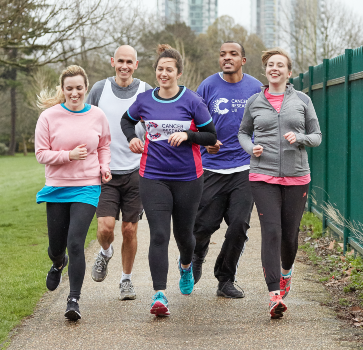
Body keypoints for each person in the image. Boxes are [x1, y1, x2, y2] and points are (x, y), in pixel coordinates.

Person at [121, 44, 217, 317]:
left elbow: (210, 135)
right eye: (160, 69)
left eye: (169, 70)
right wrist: (133, 138)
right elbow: (126, 122)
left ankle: (185, 266)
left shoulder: (192, 101)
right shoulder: (145, 100)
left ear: (179, 73)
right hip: (153, 177)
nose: (164, 74)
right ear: (156, 72)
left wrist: (189, 136)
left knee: (184, 235)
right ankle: (159, 294)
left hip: (188, 178)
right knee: (159, 234)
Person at [238, 48, 321, 319]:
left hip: (297, 175)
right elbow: (243, 132)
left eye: (280, 65)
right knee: (271, 232)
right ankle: (274, 295)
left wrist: (300, 138)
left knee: (289, 235)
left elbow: (317, 135)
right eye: (270, 65)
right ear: (266, 71)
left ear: (288, 72)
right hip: (262, 175)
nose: (275, 69)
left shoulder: (302, 100)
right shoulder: (255, 101)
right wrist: (251, 149)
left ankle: (286, 272)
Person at [35, 65, 112, 321]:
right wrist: (68, 155)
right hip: (57, 186)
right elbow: (41, 154)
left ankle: (74, 299)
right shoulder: (48, 117)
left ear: (85, 88)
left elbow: (104, 145)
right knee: (57, 247)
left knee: (75, 241)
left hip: (88, 186)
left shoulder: (97, 115)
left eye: (79, 88)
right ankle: (58, 263)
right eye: (69, 88)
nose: (74, 93)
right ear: (63, 89)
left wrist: (105, 166)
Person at [191, 41, 262, 298]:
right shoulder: (208, 86)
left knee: (239, 226)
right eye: (222, 55)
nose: (227, 58)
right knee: (201, 226)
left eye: (233, 54)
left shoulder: (255, 88)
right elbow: (194, 123)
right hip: (211, 168)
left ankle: (225, 278)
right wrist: (205, 142)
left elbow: (263, 124)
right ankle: (197, 254)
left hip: (244, 168)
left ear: (243, 60)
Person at [86, 45, 153, 301]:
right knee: (105, 228)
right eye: (120, 61)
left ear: (136, 65)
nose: (124, 66)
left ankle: (126, 280)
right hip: (105, 171)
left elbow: (153, 126)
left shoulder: (146, 90)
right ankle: (105, 253)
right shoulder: (99, 89)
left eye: (130, 62)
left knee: (129, 230)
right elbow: (85, 120)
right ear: (113, 62)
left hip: (137, 170)